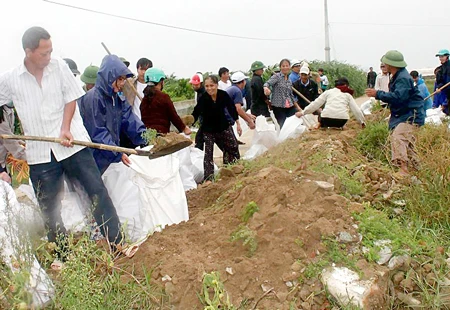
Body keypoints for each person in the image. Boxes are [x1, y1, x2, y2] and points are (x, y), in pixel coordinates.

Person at [0, 26, 124, 262]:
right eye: (43, 53)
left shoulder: (59, 67)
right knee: (49, 206)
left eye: (50, 51)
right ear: (28, 52)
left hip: (72, 144)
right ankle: (63, 256)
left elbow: (71, 97)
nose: (48, 57)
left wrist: (65, 127)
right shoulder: (11, 79)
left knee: (96, 191)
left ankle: (117, 243)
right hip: (40, 153)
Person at [78, 54, 147, 174]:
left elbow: (129, 119)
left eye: (124, 79)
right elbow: (97, 131)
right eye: (120, 79)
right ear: (109, 77)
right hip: (95, 156)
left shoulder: (117, 98)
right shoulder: (94, 98)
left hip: (109, 153)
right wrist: (116, 153)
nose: (122, 83)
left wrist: (146, 137)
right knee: (95, 190)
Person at [365, 50, 425, 177]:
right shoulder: (398, 76)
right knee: (408, 143)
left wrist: (378, 94)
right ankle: (416, 170)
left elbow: (399, 97)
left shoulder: (402, 78)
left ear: (390, 64)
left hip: (410, 115)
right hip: (406, 114)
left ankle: (403, 170)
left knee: (398, 137)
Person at [192, 75, 240, 181]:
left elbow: (232, 108)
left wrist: (237, 123)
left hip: (223, 126)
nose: (209, 88)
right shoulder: (204, 98)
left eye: (212, 85)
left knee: (233, 147)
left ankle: (232, 168)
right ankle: (209, 179)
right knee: (208, 155)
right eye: (207, 86)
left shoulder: (223, 95)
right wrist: (189, 122)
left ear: (217, 85)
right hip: (208, 130)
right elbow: (196, 111)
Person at [296, 77, 365, 129]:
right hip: (341, 121)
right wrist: (362, 122)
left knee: (322, 112)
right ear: (347, 86)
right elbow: (356, 110)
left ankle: (319, 124)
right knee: (343, 113)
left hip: (326, 120)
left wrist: (303, 112)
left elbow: (315, 104)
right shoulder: (348, 95)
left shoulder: (328, 92)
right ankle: (343, 126)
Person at [140, 67, 192, 136]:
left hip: (146, 136)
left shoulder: (144, 100)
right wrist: (184, 128)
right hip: (161, 136)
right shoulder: (164, 97)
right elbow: (174, 117)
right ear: (161, 81)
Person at [263, 59, 300, 128]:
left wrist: (297, 107)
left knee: (291, 123)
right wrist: (266, 88)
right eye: (283, 66)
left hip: (289, 105)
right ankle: (282, 137)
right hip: (279, 105)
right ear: (280, 67)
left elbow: (290, 95)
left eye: (287, 66)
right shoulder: (277, 76)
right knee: (282, 125)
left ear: (289, 67)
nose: (285, 67)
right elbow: (267, 83)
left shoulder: (289, 80)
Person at [0, 103, 26, 184]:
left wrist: (22, 143)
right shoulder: (1, 115)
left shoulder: (9, 111)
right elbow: (8, 140)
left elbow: (10, 136)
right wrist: (27, 156)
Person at [190, 73, 207, 150]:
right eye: (193, 84)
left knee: (199, 139)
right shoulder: (198, 92)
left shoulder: (203, 94)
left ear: (201, 84)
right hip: (203, 119)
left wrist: (192, 121)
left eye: (196, 85)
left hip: (207, 120)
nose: (194, 86)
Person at [435, 49, 450, 114]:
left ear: (447, 56)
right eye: (440, 57)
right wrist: (439, 88)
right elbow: (440, 82)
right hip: (446, 93)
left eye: (442, 56)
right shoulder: (440, 69)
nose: (441, 58)